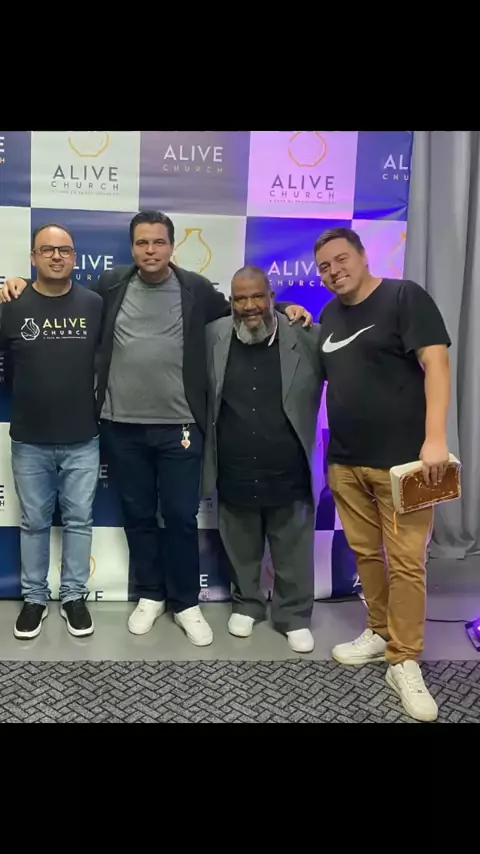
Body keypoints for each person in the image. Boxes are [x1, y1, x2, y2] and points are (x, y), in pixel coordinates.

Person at [0, 211, 312, 647]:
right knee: (139, 516)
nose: (150, 250)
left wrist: (283, 308)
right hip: (121, 426)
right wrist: (16, 282)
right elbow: (52, 296)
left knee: (181, 517)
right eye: (142, 242)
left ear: (172, 246)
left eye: (159, 242)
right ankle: (150, 595)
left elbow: (242, 308)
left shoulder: (195, 288)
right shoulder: (109, 286)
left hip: (180, 427)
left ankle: (185, 603)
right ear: (132, 247)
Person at [314, 226, 451, 722]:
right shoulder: (329, 315)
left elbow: (437, 364)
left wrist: (435, 439)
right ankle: (379, 629)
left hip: (405, 463)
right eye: (324, 267)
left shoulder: (403, 296)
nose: (334, 271)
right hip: (345, 461)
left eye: (341, 259)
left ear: (362, 256)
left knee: (408, 563)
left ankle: (405, 659)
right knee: (367, 554)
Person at [202, 265, 324, 653]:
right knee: (240, 545)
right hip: (234, 465)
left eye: (258, 296)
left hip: (289, 467)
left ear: (272, 297)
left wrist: (290, 308)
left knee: (293, 548)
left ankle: (294, 615)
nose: (249, 305)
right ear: (231, 303)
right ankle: (247, 604)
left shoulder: (305, 334)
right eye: (240, 299)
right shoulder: (214, 335)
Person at [0, 224, 102, 639]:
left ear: (75, 258)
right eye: (47, 250)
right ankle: (35, 599)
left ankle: (74, 597)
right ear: (33, 257)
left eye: (64, 250)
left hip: (83, 437)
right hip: (29, 439)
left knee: (79, 521)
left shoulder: (94, 304)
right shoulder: (12, 304)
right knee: (34, 522)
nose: (56, 256)